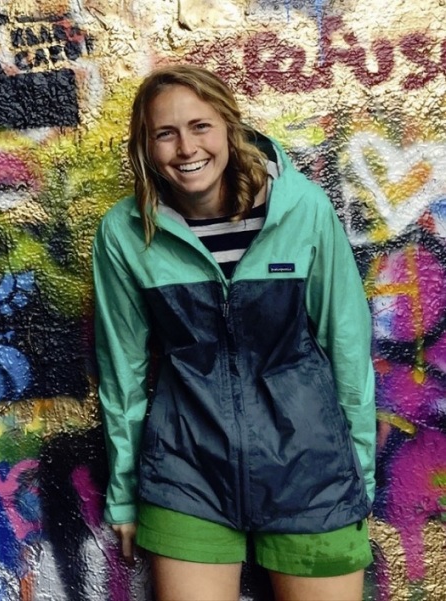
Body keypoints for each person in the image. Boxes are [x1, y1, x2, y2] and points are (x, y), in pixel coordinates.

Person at [92, 65, 376, 601]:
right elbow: (122, 371)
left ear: (229, 128)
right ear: (145, 147)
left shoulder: (303, 210)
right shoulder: (125, 233)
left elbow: (347, 346)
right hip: (186, 470)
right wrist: (125, 495)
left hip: (312, 468)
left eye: (200, 126)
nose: (185, 148)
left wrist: (359, 475)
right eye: (165, 133)